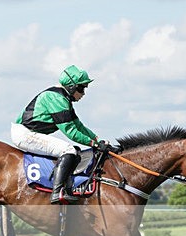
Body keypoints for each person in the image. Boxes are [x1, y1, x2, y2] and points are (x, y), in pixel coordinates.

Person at [11, 65, 112, 204]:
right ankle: (57, 192)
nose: (83, 93)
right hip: (25, 134)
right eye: (81, 88)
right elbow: (71, 131)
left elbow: (78, 125)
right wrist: (93, 144)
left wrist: (97, 139)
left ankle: (65, 186)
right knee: (69, 150)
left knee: (74, 151)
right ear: (71, 87)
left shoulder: (63, 99)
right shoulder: (56, 99)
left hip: (29, 132)